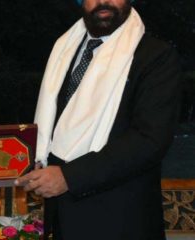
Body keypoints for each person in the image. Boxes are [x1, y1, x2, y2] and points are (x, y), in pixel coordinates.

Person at [15, 0, 181, 239]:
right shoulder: (64, 50)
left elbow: (149, 141)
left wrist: (69, 177)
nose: (103, 1)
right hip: (64, 218)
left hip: (121, 222)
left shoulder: (155, 56)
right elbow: (51, 128)